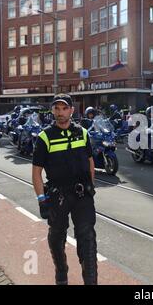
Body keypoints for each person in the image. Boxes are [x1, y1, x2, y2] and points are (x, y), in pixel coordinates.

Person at [32, 94, 98, 285]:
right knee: (56, 236)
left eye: (64, 108)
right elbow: (37, 173)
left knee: (87, 239)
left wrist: (90, 187)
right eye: (57, 109)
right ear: (52, 110)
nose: (60, 113)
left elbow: (90, 163)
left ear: (71, 110)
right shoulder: (45, 137)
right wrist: (41, 199)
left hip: (81, 194)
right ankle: (61, 272)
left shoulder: (83, 133)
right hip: (57, 195)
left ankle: (91, 281)